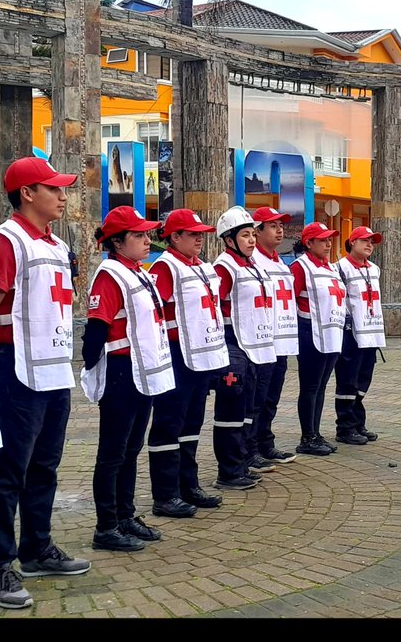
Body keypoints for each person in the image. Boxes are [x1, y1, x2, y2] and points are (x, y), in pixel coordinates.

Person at [0, 156, 89, 610]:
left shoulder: (57, 245)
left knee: (45, 466)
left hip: (54, 368)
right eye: (54, 188)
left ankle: (37, 548)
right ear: (27, 193)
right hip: (14, 368)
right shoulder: (5, 243)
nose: (63, 196)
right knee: (9, 471)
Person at [80, 206, 171, 553]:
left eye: (147, 234)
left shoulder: (137, 272)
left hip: (142, 370)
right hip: (121, 373)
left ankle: (125, 514)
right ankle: (106, 525)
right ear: (117, 242)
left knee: (132, 448)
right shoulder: (110, 275)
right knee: (113, 453)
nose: (148, 240)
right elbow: (96, 329)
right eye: (139, 235)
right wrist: (92, 368)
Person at [147, 208, 230, 518]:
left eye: (201, 234)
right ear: (174, 237)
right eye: (192, 234)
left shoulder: (201, 267)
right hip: (176, 355)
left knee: (192, 423)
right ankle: (165, 494)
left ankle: (188, 484)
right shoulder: (165, 267)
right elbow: (154, 313)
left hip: (202, 356)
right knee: (169, 424)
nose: (199, 239)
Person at [212, 206, 278, 488]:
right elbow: (214, 306)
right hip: (232, 343)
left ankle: (242, 462)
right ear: (229, 240)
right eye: (245, 235)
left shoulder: (251, 265)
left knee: (248, 408)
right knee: (231, 409)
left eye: (253, 234)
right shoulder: (224, 267)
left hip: (253, 345)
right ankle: (228, 471)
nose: (252, 240)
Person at [247, 207, 299, 466]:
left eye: (281, 225)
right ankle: (251, 447)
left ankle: (266, 443)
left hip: (283, 340)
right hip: (263, 341)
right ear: (257, 231)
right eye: (273, 225)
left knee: (271, 398)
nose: (280, 230)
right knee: (257, 399)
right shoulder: (253, 260)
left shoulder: (280, 260)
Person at [291, 222, 347, 456]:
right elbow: (290, 300)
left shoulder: (330, 267)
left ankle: (315, 432)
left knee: (322, 386)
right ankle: (307, 436)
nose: (327, 243)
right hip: (310, 332)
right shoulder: (300, 267)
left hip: (332, 333)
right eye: (322, 239)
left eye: (329, 239)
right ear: (309, 243)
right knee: (311, 386)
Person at [333, 226, 386, 445]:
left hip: (371, 333)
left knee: (364, 380)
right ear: (352, 243)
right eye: (364, 240)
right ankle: (345, 427)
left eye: (372, 241)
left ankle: (357, 421)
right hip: (351, 334)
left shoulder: (374, 269)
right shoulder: (340, 268)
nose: (369, 245)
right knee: (348, 381)